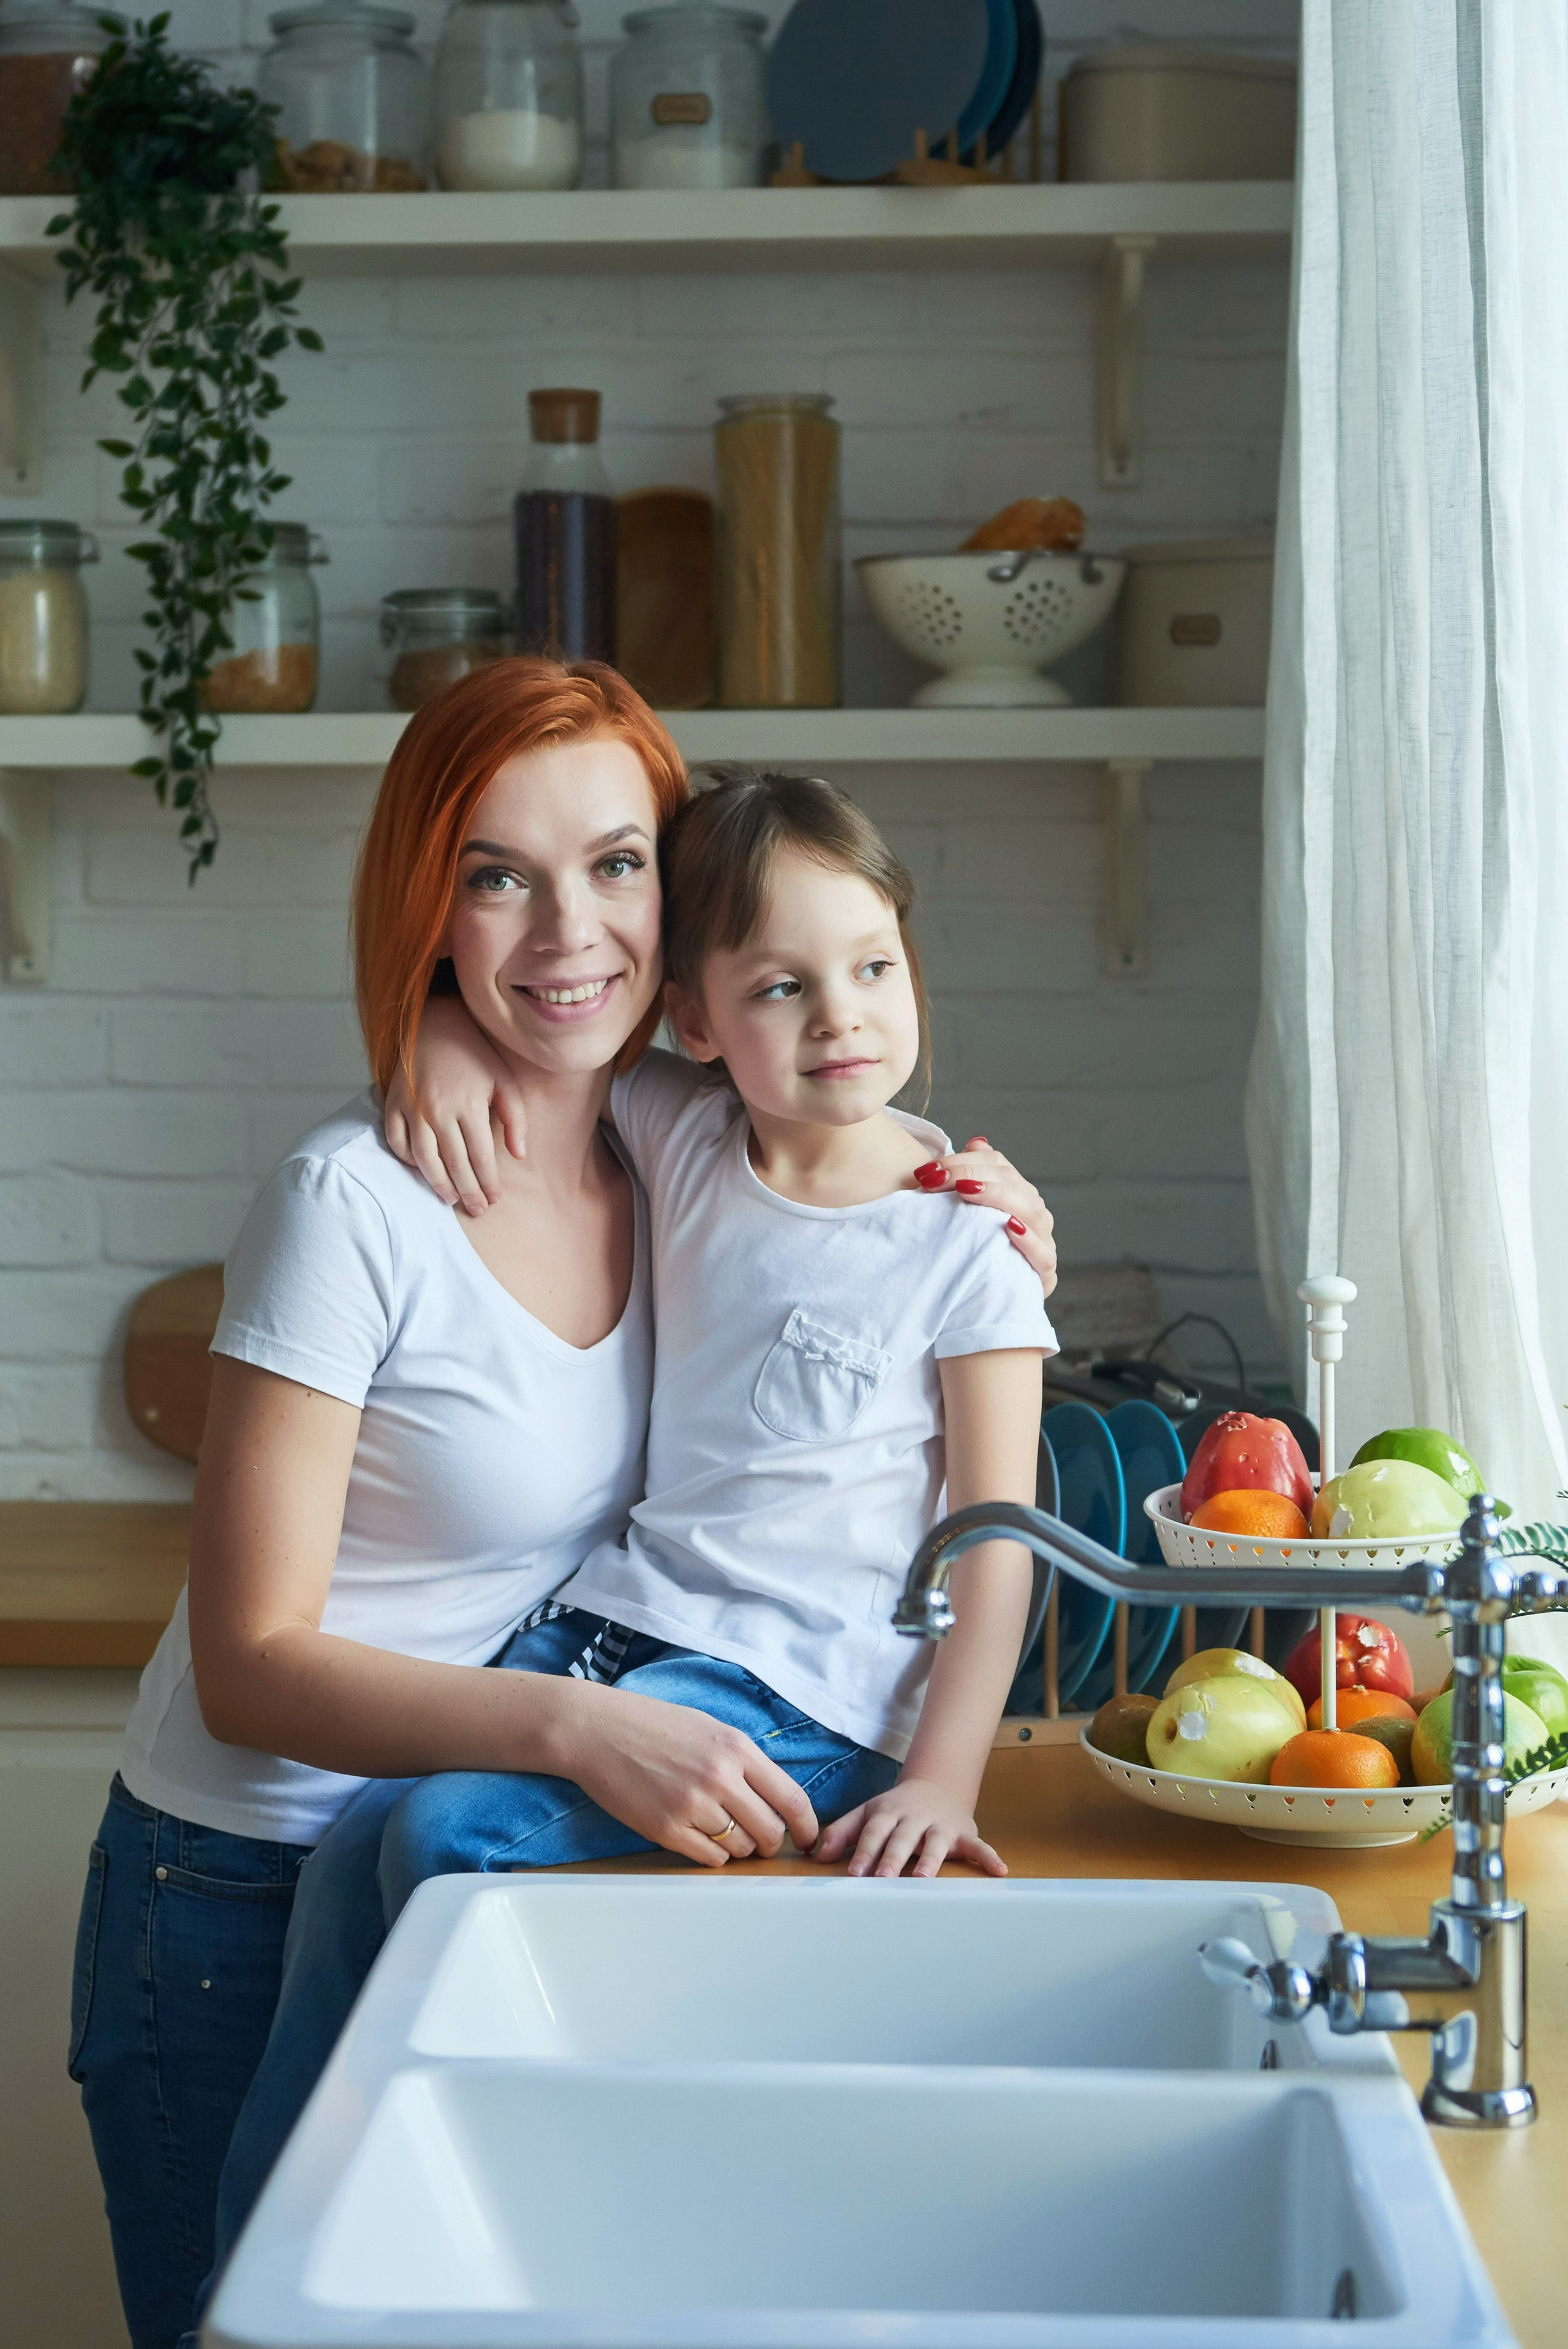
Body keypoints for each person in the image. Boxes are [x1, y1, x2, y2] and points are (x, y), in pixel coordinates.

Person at [66, 662, 1059, 2349]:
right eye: (494, 875)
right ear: (428, 904)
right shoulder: (353, 1200)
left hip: (502, 1827)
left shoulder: (672, 1135)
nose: (565, 930)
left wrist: (988, 1203)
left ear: (673, 923)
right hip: (243, 1886)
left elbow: (851, 1142)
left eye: (613, 864)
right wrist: (579, 1736)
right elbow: (248, 1666)